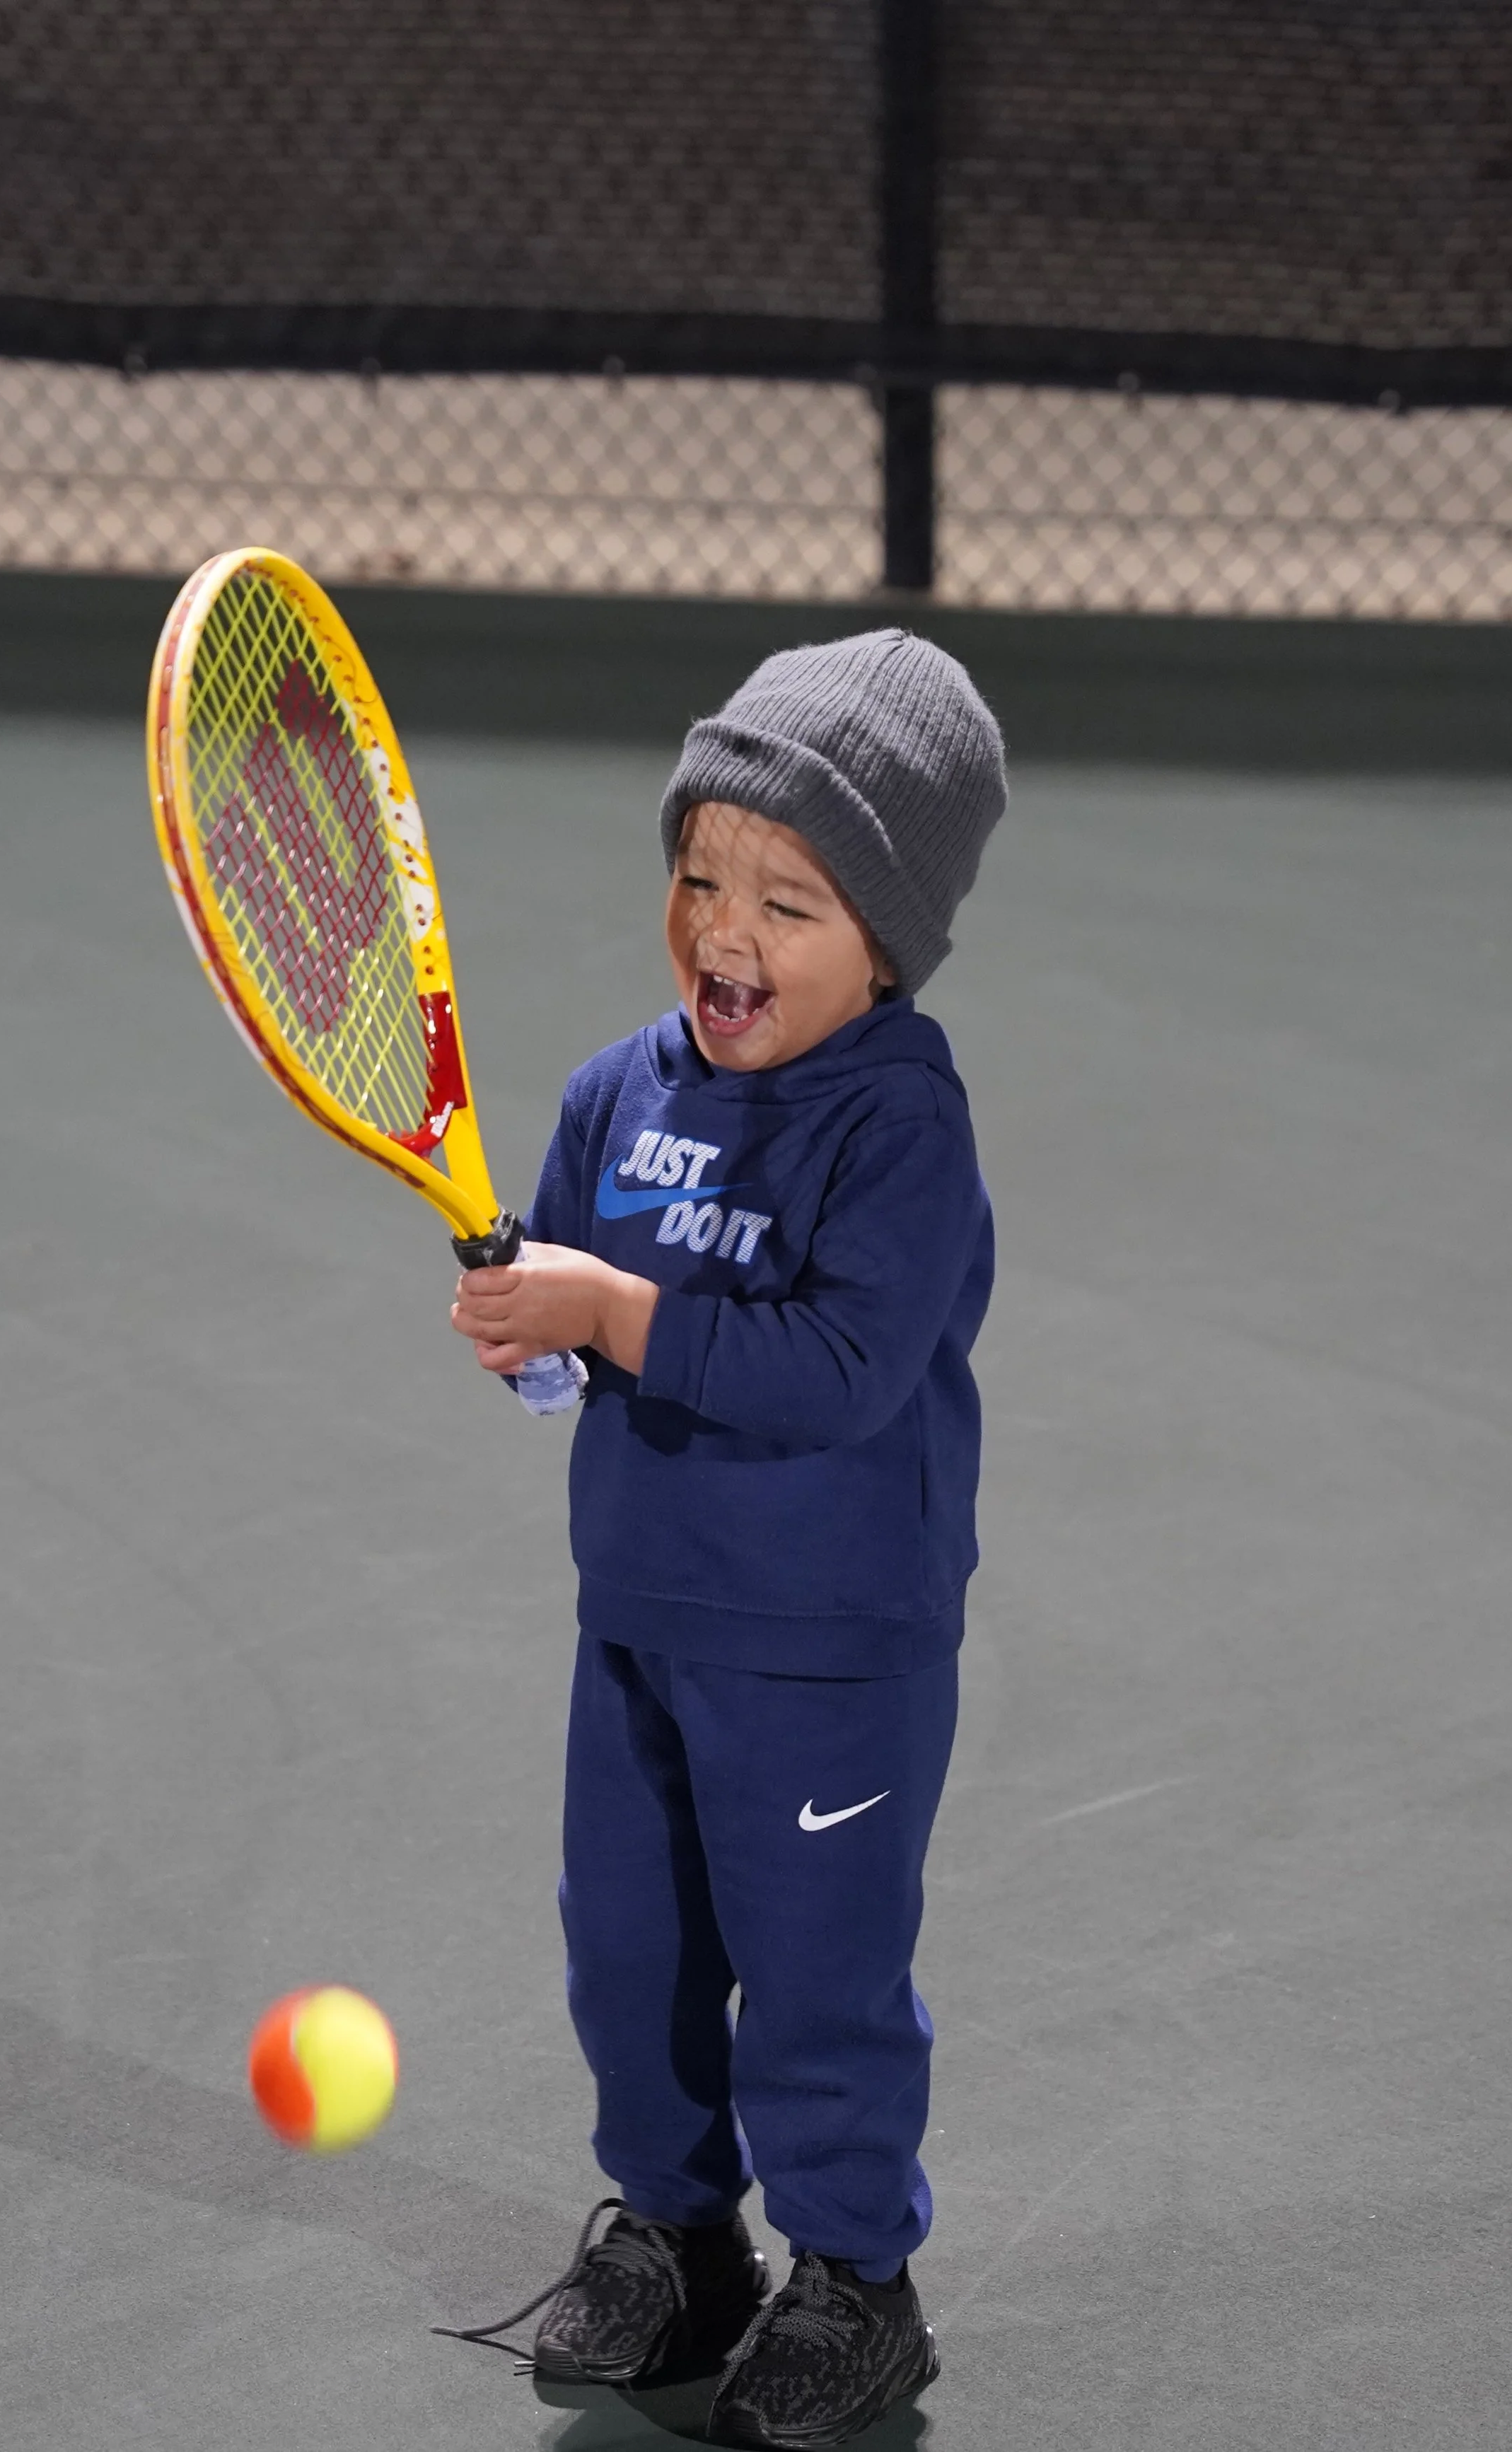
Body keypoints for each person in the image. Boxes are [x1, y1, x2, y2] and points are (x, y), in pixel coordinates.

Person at [448, 629, 1006, 2448]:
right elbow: (564, 1299)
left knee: (819, 1973)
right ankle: (681, 2241)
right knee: (629, 1947)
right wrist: (532, 1336)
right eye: (700, 876)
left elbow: (845, 1367)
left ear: (887, 945)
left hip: (829, 1643)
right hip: (641, 1620)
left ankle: (854, 2280)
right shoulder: (620, 1090)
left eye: (788, 899)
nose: (725, 931)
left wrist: (606, 1312)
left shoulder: (899, 1118)